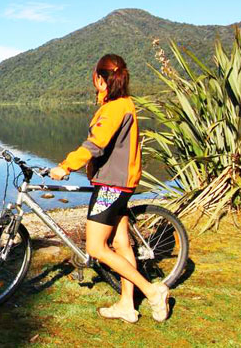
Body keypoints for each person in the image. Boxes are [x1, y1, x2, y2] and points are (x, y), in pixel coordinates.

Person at [49, 54, 170, 323]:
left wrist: (66, 166)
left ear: (101, 79)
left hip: (112, 186)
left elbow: (95, 144)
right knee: (120, 242)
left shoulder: (115, 108)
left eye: (95, 77)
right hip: (118, 182)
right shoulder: (119, 104)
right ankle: (127, 305)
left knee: (96, 247)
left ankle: (152, 292)